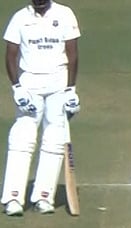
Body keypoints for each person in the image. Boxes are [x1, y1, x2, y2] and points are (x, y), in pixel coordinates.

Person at [2, 0, 79, 216]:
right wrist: (17, 87)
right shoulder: (20, 18)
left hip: (58, 83)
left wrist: (71, 90)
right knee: (22, 138)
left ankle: (44, 196)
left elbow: (72, 54)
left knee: (54, 139)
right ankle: (13, 197)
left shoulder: (65, 14)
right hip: (29, 85)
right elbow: (10, 55)